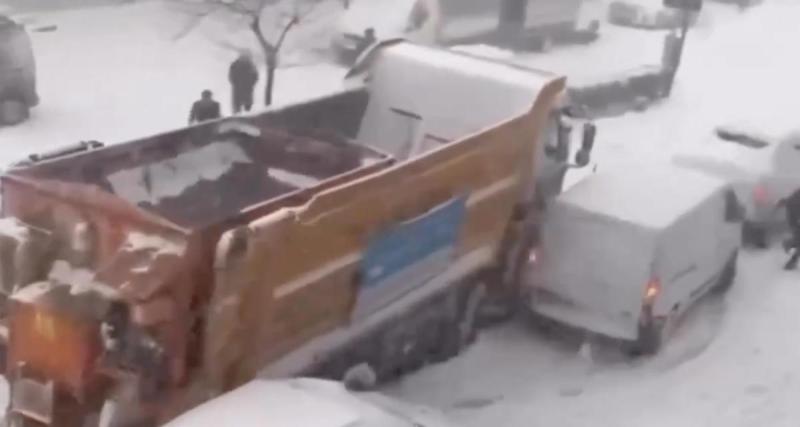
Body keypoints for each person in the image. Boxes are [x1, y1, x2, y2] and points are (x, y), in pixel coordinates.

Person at [779, 188, 800, 270]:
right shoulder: (797, 195)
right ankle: (789, 245)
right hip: (797, 221)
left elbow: (788, 200)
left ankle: (789, 245)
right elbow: (792, 202)